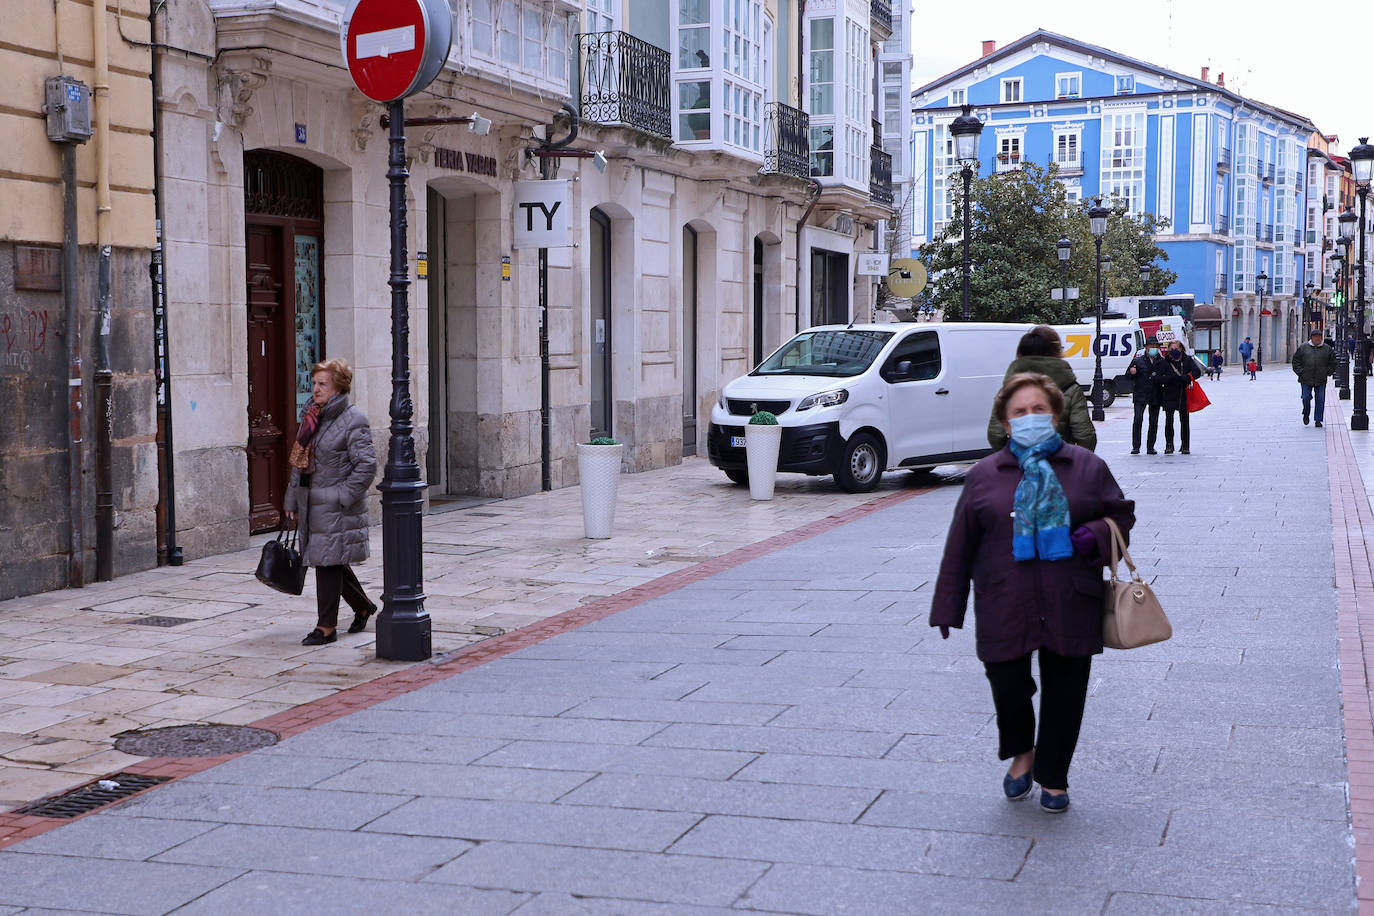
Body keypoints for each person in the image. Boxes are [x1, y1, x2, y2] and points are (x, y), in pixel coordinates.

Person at [931, 372, 1135, 813]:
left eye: (1038, 410)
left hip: (1071, 596)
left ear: (1056, 416)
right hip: (1004, 598)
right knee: (1008, 686)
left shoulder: (1087, 467)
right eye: (1019, 412)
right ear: (1005, 424)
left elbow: (1121, 518)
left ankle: (1054, 776)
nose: (1029, 418)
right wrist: (948, 606)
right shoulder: (985, 475)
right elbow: (960, 544)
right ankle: (1022, 751)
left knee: (1066, 691)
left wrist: (1093, 536)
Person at [283, 358, 379, 646]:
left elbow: (367, 465)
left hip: (334, 504)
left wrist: (342, 496)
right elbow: (299, 462)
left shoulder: (354, 419)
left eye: (322, 383)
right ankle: (363, 606)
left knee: (326, 562)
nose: (315, 389)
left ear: (338, 386)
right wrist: (291, 499)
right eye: (314, 383)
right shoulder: (312, 414)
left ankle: (326, 627)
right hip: (311, 500)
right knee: (328, 559)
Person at [986, 325, 1097, 452]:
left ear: (1021, 352)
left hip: (1020, 462)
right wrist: (1075, 462)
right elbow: (1085, 435)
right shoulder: (1070, 388)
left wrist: (1011, 457)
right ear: (1056, 351)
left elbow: (995, 434)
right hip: (1059, 461)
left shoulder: (1009, 390)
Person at [1152, 340, 1204, 454]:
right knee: (1169, 420)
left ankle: (1185, 445)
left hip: (1183, 394)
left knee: (1184, 421)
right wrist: (1169, 379)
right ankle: (1169, 445)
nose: (1173, 351)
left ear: (1181, 349)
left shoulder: (1187, 360)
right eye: (1171, 349)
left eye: (1176, 348)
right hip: (1169, 393)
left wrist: (1187, 377)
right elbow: (1156, 378)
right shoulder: (1164, 362)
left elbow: (1197, 372)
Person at [1125, 336, 1164, 455]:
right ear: (1146, 348)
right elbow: (1127, 376)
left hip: (1155, 394)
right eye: (1152, 347)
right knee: (1138, 419)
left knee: (1153, 421)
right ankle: (1136, 446)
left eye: (1156, 347)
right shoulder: (1138, 361)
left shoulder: (1161, 361)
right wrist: (1132, 373)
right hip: (1140, 394)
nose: (1154, 349)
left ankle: (1150, 447)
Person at [1292, 328, 1336, 428]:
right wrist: (1300, 372)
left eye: (1319, 337)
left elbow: (1333, 362)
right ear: (1311, 338)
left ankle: (1318, 419)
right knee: (1306, 398)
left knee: (1320, 399)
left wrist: (1328, 372)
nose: (1317, 339)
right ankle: (1306, 413)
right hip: (1305, 379)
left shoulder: (1327, 349)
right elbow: (1296, 361)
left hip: (1321, 379)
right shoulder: (1303, 348)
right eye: (1315, 337)